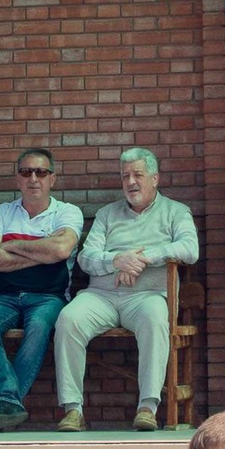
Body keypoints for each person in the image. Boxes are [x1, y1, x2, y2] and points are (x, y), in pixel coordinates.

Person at [55, 146, 198, 430]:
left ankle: (147, 406)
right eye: (125, 176)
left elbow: (190, 249)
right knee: (68, 319)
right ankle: (73, 409)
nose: (130, 182)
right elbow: (86, 258)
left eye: (137, 175)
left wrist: (144, 258)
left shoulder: (176, 212)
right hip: (102, 296)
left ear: (155, 178)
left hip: (147, 297)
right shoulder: (107, 214)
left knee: (156, 317)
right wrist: (117, 260)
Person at [0, 144, 84, 425]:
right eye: (26, 172)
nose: (33, 178)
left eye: (41, 172)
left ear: (52, 179)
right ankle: (10, 402)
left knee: (38, 328)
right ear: (18, 179)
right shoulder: (2, 212)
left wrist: (10, 245)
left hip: (49, 297)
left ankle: (5, 403)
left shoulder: (67, 212)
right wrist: (42, 252)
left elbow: (61, 250)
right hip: (4, 296)